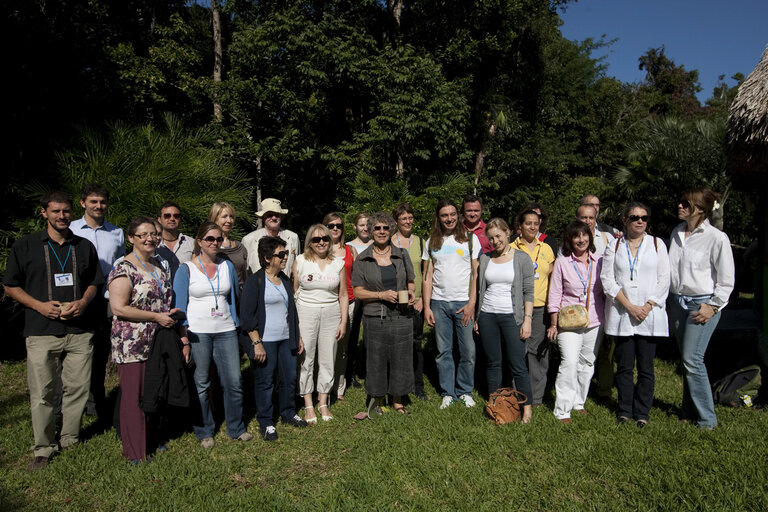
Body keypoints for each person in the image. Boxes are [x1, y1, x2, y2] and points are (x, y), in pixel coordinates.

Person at [3, 191, 103, 470]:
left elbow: (95, 282)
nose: (62, 216)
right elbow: (10, 285)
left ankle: (70, 437)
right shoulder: (26, 245)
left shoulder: (83, 246)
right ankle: (44, 446)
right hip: (41, 329)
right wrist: (38, 306)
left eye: (66, 211)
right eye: (56, 211)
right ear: (44, 213)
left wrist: (83, 302)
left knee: (78, 388)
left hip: (79, 329)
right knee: (43, 391)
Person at [173, 221, 252, 447]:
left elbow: (233, 298)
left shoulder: (226, 266)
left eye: (218, 239)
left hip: (226, 330)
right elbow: (179, 306)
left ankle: (236, 427)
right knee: (202, 383)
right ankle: (204, 430)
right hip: (199, 333)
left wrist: (236, 324)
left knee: (234, 381)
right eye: (210, 239)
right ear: (199, 241)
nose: (215, 243)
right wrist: (184, 336)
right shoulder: (186, 269)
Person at [107, 217, 177, 463]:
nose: (150, 238)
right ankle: (135, 451)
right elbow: (119, 307)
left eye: (153, 234)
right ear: (131, 238)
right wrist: (156, 316)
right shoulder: (123, 268)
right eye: (143, 234)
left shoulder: (158, 264)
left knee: (153, 391)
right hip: (132, 342)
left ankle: (150, 439)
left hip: (157, 339)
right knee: (133, 396)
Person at [668, 187, 734, 429]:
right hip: (677, 303)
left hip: (702, 303)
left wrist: (713, 306)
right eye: (680, 201)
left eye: (686, 203)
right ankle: (688, 410)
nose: (680, 206)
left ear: (700, 210)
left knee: (692, 359)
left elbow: (726, 280)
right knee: (687, 359)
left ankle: (707, 419)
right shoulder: (676, 232)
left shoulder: (716, 238)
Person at [601, 202, 670, 427]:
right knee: (624, 366)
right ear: (625, 220)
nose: (639, 221)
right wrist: (629, 306)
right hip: (623, 313)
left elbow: (664, 280)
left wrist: (647, 306)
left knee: (646, 368)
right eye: (634, 217)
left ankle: (642, 413)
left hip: (649, 315)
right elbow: (608, 279)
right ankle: (624, 410)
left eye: (644, 217)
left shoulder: (657, 245)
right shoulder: (615, 245)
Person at [241, 236, 307, 441]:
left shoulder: (284, 279)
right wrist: (256, 342)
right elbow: (247, 316)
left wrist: (298, 336)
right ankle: (266, 421)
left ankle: (288, 413)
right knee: (265, 382)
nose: (285, 257)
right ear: (267, 258)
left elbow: (292, 312)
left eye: (286, 253)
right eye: (281, 254)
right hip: (265, 341)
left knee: (289, 379)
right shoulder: (255, 281)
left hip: (286, 338)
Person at [69, 183, 125, 422]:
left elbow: (120, 265)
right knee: (74, 353)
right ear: (83, 203)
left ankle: (96, 401)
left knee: (101, 352)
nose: (98, 206)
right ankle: (71, 401)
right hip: (77, 298)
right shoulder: (70, 229)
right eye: (93, 202)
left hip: (106, 299)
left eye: (102, 202)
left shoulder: (117, 233)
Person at [352, 212, 415, 416]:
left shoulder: (402, 254)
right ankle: (377, 399)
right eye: (377, 228)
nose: (381, 231)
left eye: (385, 228)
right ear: (371, 231)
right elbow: (358, 291)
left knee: (401, 358)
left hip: (401, 314)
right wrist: (381, 295)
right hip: (374, 317)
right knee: (376, 360)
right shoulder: (363, 258)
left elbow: (411, 281)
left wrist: (411, 292)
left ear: (391, 230)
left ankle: (397, 400)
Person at [422, 198, 481, 409]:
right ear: (439, 218)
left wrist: (472, 303)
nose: (449, 218)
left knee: (468, 352)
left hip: (463, 304)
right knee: (443, 351)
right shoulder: (431, 242)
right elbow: (427, 275)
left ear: (459, 215)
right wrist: (427, 306)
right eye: (444, 215)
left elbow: (476, 274)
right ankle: (448, 392)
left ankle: (465, 391)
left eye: (453, 214)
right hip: (439, 304)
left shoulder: (471, 240)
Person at [476, 218, 535, 422]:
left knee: (518, 364)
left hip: (513, 317)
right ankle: (495, 405)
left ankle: (527, 407)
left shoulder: (522, 258)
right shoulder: (485, 259)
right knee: (493, 363)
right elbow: (480, 290)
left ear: (508, 233)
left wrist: (527, 320)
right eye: (491, 238)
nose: (495, 241)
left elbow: (528, 292)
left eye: (498, 236)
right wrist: (477, 317)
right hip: (487, 315)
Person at [547, 221, 605, 423]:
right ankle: (562, 410)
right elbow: (554, 294)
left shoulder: (600, 261)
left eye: (585, 235)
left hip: (595, 320)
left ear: (590, 237)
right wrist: (553, 324)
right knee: (570, 362)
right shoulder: (563, 262)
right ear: (570, 240)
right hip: (569, 321)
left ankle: (578, 402)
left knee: (587, 363)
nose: (581, 240)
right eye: (576, 236)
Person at [293, 224, 349, 423]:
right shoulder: (300, 261)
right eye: (316, 239)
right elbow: (294, 293)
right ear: (309, 241)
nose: (321, 242)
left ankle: (323, 400)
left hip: (331, 314)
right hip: (306, 313)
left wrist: (343, 321)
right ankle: (308, 402)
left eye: (324, 238)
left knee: (327, 358)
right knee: (305, 358)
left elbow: (343, 294)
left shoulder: (338, 263)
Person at [511, 207, 556, 406]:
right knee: (517, 352)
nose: (532, 226)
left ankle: (536, 399)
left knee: (538, 354)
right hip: (516, 307)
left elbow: (554, 277)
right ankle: (517, 396)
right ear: (519, 226)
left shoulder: (546, 249)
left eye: (536, 223)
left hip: (540, 309)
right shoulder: (511, 248)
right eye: (528, 223)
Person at [576, 202, 615, 399]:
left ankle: (604, 391)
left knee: (604, 352)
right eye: (584, 218)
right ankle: (577, 392)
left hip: (603, 303)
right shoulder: (571, 238)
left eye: (591, 217)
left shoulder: (608, 238)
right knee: (579, 353)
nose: (588, 221)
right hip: (577, 306)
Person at [392, 203, 428, 401]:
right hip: (395, 301)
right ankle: (397, 383)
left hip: (417, 302)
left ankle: (418, 385)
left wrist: (423, 298)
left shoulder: (421, 243)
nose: (408, 222)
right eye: (404, 218)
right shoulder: (389, 242)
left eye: (410, 218)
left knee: (416, 344)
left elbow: (424, 273)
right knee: (397, 344)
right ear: (397, 221)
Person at [324, 212, 357, 401]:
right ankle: (323, 385)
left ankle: (339, 386)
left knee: (342, 346)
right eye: (331, 225)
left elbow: (358, 277)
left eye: (339, 225)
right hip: (327, 302)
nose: (335, 228)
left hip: (349, 302)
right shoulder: (319, 248)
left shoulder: (350, 250)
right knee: (325, 346)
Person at [345, 212, 372, 387]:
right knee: (352, 336)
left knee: (371, 336)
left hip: (373, 297)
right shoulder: (348, 246)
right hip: (354, 296)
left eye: (368, 224)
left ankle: (369, 370)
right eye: (361, 225)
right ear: (355, 227)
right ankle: (350, 373)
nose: (365, 228)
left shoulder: (378, 243)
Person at [242, 198, 300, 275]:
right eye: (269, 215)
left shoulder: (293, 237)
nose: (274, 218)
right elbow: (244, 270)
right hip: (259, 285)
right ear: (263, 217)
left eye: (277, 215)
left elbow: (297, 268)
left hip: (286, 285)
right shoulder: (249, 240)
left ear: (281, 217)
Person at [208, 201, 249, 289]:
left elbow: (245, 277)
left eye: (231, 217)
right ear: (215, 218)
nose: (229, 221)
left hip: (239, 296)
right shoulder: (206, 245)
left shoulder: (239, 247)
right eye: (224, 217)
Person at [156, 202, 195, 277]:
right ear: (159, 220)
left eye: (176, 216)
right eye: (167, 216)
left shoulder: (191, 243)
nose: (172, 219)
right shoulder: (153, 244)